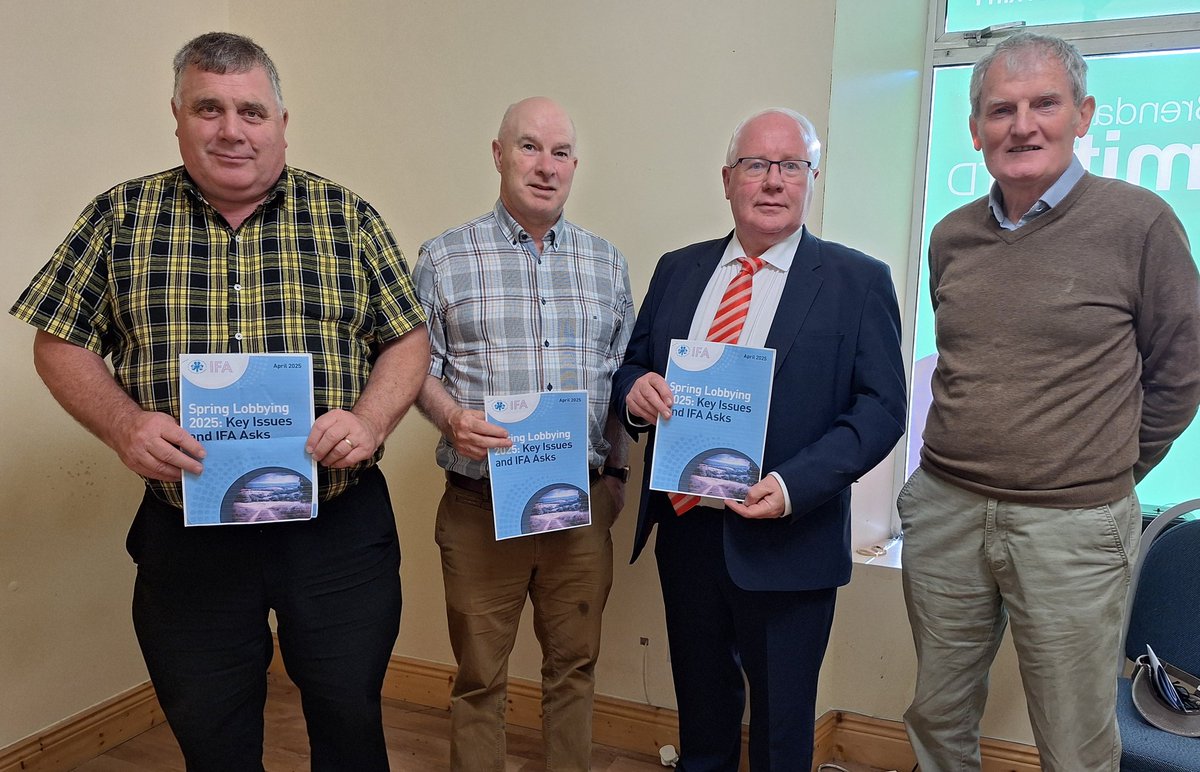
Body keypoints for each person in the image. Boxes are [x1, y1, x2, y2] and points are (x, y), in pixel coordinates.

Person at [9, 32, 429, 772]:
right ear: (177, 117)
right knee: (210, 729)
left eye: (251, 111)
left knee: (349, 714)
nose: (231, 129)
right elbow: (59, 340)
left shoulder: (347, 217)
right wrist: (122, 423)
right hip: (189, 536)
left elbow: (406, 338)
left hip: (335, 530)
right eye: (209, 108)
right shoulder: (121, 217)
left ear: (282, 122)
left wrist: (368, 420)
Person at [900, 32, 1200, 772]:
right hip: (947, 512)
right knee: (936, 719)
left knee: (1074, 739)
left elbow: (1182, 368)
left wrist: (1112, 469)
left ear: (1083, 114)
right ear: (974, 130)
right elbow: (973, 364)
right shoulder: (952, 236)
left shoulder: (1140, 224)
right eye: (1001, 110)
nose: (1021, 125)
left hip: (1073, 526)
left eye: (1044, 104)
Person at [612, 108, 907, 771]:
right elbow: (631, 369)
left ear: (811, 179)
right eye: (756, 165)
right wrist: (634, 393)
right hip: (687, 532)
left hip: (788, 538)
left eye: (791, 165)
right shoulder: (678, 270)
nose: (773, 181)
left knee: (780, 733)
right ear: (728, 180)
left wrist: (791, 486)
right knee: (703, 718)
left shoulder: (858, 282)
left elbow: (882, 409)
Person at [413, 96, 634, 772]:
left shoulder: (607, 265)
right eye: (530, 147)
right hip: (482, 507)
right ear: (498, 154)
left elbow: (622, 379)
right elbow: (413, 371)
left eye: (560, 152)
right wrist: (451, 417)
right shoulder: (444, 258)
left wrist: (618, 474)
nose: (546, 166)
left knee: (574, 670)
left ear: (575, 165)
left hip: (579, 509)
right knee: (480, 676)